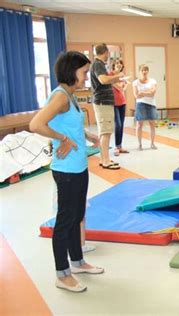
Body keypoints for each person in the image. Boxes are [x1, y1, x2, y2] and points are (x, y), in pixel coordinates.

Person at [30, 51, 104, 293]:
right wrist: (62, 138)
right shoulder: (60, 97)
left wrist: (85, 135)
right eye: (83, 73)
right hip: (66, 170)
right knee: (65, 221)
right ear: (72, 72)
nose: (85, 77)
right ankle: (62, 275)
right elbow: (36, 124)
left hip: (79, 166)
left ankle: (78, 262)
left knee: (77, 215)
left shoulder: (70, 96)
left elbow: (69, 125)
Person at [90, 43, 124, 170]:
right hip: (102, 102)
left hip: (104, 102)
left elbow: (105, 79)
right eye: (107, 53)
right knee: (106, 132)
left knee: (105, 131)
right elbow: (103, 80)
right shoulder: (98, 64)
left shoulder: (99, 65)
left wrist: (115, 76)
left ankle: (104, 158)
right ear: (105, 52)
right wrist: (118, 77)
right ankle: (105, 161)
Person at [132, 64, 158, 150]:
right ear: (140, 71)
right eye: (143, 70)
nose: (144, 72)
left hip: (151, 104)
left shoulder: (153, 81)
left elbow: (153, 93)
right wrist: (148, 92)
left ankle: (152, 143)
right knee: (139, 124)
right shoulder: (135, 82)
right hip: (140, 104)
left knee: (152, 124)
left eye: (146, 70)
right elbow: (136, 95)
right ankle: (139, 144)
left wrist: (142, 92)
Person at [110, 59, 129, 157]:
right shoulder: (111, 75)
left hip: (122, 102)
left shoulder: (122, 75)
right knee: (118, 124)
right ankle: (116, 147)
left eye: (120, 63)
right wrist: (122, 84)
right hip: (114, 103)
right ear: (113, 65)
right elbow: (120, 87)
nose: (119, 65)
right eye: (117, 63)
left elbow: (123, 88)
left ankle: (119, 146)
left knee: (121, 125)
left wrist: (123, 85)